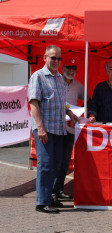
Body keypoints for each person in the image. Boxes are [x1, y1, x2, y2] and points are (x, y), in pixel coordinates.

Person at [28, 45, 79, 214]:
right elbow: (34, 103)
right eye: (52, 58)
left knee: (55, 165)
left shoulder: (58, 78)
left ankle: (49, 198)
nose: (56, 61)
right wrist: (40, 128)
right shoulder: (38, 76)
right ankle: (41, 202)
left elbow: (59, 101)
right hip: (45, 129)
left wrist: (70, 112)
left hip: (58, 128)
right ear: (44, 58)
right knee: (46, 164)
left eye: (58, 58)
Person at [52, 58, 90, 202]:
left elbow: (88, 99)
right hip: (56, 127)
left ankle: (59, 190)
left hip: (70, 129)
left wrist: (83, 113)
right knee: (56, 161)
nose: (71, 71)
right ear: (63, 68)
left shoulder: (78, 85)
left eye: (74, 68)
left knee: (65, 161)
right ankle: (52, 191)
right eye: (68, 67)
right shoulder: (56, 82)